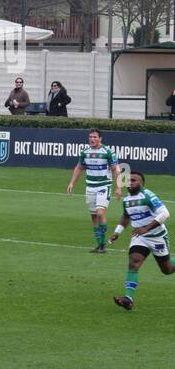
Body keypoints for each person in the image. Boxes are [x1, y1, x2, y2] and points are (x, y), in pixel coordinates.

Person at [110, 171, 173, 309]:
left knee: (167, 269)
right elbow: (126, 217)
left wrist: (147, 228)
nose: (130, 182)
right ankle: (128, 299)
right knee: (133, 263)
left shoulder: (148, 196)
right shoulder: (127, 200)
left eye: (134, 180)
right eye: (129, 180)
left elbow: (165, 213)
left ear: (141, 183)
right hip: (140, 237)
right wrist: (117, 232)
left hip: (157, 237)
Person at [65, 129, 121, 254]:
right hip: (90, 186)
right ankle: (100, 245)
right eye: (90, 136)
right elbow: (79, 167)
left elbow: (116, 170)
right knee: (94, 216)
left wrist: (118, 187)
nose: (92, 139)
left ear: (100, 139)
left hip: (104, 186)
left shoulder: (108, 151)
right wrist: (72, 183)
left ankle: (103, 244)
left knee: (100, 213)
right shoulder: (85, 152)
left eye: (95, 137)